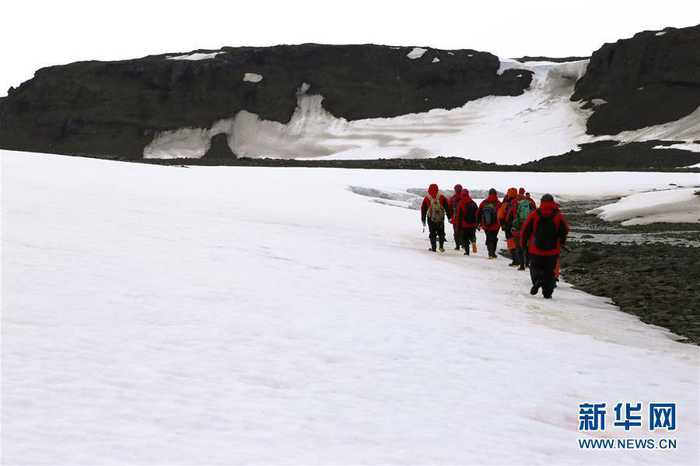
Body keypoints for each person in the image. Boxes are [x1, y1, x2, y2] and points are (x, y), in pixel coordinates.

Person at [520, 194, 569, 299]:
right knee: (550, 271)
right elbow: (565, 230)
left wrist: (523, 244)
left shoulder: (534, 214)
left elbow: (525, 231)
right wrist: (561, 242)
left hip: (536, 249)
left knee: (535, 267)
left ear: (541, 202)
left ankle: (538, 280)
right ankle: (547, 293)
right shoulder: (558, 215)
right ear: (552, 202)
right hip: (552, 250)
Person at [421, 184, 452, 252]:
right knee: (441, 232)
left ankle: (434, 248)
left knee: (432, 233)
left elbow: (423, 209)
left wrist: (423, 219)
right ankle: (441, 247)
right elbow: (447, 207)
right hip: (440, 218)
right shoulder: (442, 197)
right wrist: (449, 217)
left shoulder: (427, 198)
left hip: (431, 218)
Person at [509, 187, 535, 271]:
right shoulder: (530, 201)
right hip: (528, 225)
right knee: (527, 245)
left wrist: (509, 224)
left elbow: (509, 214)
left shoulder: (514, 201)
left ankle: (520, 264)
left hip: (518, 225)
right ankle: (527, 263)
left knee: (518, 246)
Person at [477, 188, 502, 259]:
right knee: (494, 238)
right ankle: (492, 253)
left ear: (489, 194)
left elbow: (478, 213)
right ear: (496, 194)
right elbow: (501, 214)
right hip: (496, 225)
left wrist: (478, 222)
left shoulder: (484, 202)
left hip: (486, 225)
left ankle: (490, 253)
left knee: (489, 238)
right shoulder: (498, 203)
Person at [499, 187, 519, 266]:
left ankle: (515, 261)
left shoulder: (506, 204)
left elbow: (500, 215)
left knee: (511, 243)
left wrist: (503, 225)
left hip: (509, 226)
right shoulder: (521, 202)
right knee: (520, 244)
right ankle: (524, 263)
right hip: (520, 227)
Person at [456, 189, 478, 255]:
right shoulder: (473, 202)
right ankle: (473, 242)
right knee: (472, 235)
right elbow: (477, 213)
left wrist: (458, 226)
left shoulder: (461, 203)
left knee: (465, 238)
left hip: (464, 225)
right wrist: (477, 223)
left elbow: (458, 215)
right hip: (473, 225)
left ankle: (467, 252)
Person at [449, 184, 464, 250]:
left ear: (455, 190)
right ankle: (464, 244)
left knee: (456, 231)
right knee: (463, 231)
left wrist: (450, 217)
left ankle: (457, 246)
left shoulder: (452, 198)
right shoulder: (464, 197)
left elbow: (449, 208)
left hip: (455, 218)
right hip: (464, 218)